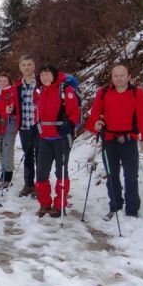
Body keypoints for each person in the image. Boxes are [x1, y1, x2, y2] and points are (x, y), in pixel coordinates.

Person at [87, 64, 143, 219]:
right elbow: (95, 113)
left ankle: (132, 210)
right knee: (111, 174)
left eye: (122, 75)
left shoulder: (137, 93)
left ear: (129, 77)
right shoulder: (103, 92)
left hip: (129, 139)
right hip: (109, 139)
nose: (118, 78)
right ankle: (115, 206)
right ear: (112, 77)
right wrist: (95, 123)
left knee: (131, 175)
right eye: (115, 75)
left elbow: (142, 117)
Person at [35, 64, 80, 218]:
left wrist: (70, 125)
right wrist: (38, 127)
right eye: (42, 75)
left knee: (61, 172)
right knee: (41, 173)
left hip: (61, 138)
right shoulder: (40, 91)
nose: (45, 77)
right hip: (45, 138)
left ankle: (59, 205)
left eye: (47, 74)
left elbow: (75, 112)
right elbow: (38, 112)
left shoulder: (65, 90)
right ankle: (45, 203)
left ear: (54, 75)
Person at [14, 55, 40, 197]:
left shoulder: (41, 84)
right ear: (20, 67)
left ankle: (40, 186)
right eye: (24, 65)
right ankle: (28, 184)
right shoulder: (17, 86)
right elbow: (15, 105)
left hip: (38, 127)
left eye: (29, 64)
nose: (27, 67)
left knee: (40, 157)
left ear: (34, 66)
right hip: (24, 127)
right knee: (28, 156)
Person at [0, 72, 19, 188]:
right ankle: (3, 174)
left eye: (4, 80)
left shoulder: (12, 92)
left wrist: (2, 114)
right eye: (0, 81)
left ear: (9, 81)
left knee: (7, 151)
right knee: (0, 151)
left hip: (9, 124)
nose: (2, 83)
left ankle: (8, 177)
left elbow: (13, 108)